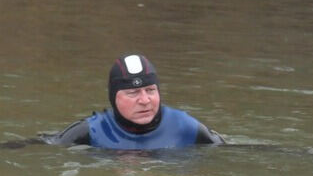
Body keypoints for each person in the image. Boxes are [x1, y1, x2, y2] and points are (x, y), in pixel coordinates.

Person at [50, 54, 224, 150]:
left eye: (150, 90)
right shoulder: (90, 132)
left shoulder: (186, 127)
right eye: (133, 93)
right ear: (113, 97)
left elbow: (233, 154)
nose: (145, 100)